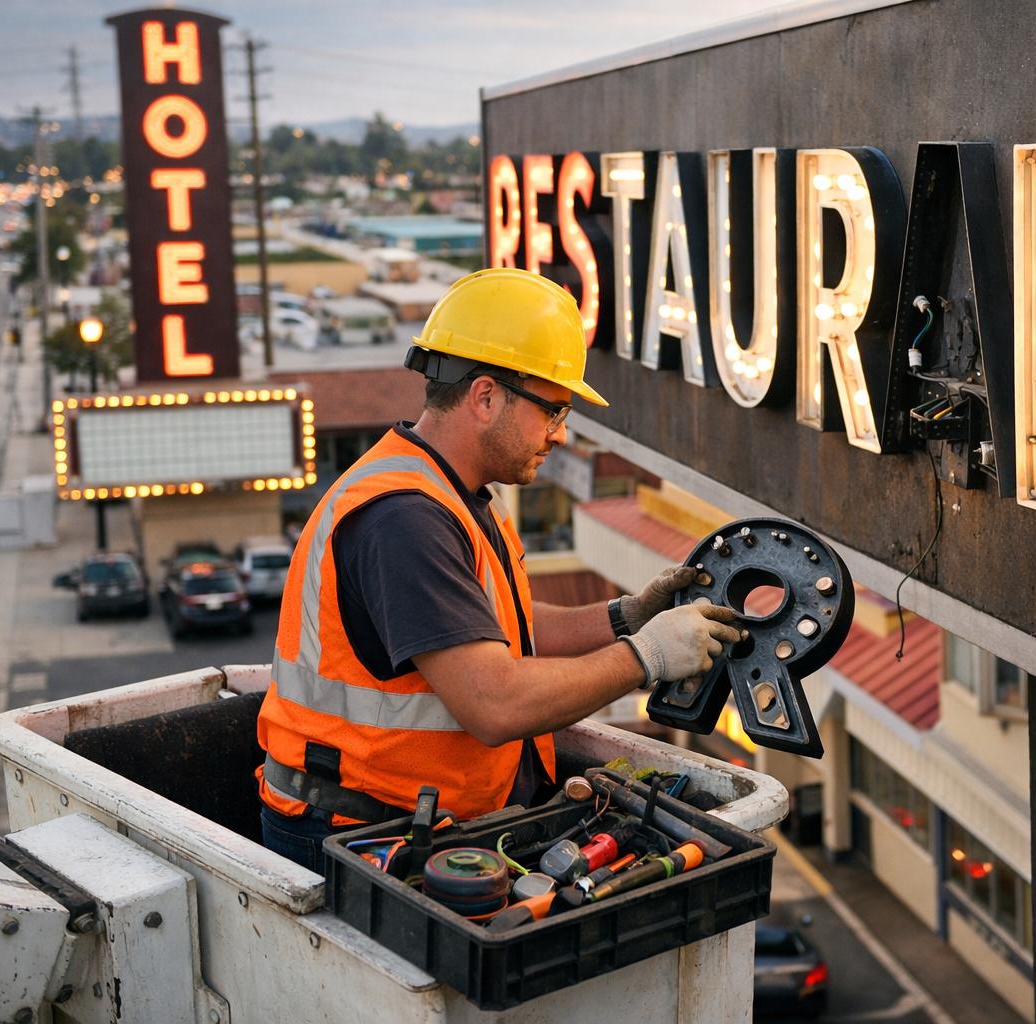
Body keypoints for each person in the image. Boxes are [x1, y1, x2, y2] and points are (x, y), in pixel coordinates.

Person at [256, 267, 741, 872]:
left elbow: (493, 626)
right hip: (356, 838)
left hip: (413, 824)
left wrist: (626, 617)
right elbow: (494, 704)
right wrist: (646, 656)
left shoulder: (455, 491)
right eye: (553, 411)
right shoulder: (405, 519)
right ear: (485, 397)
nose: (559, 435)